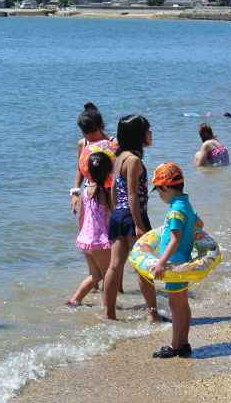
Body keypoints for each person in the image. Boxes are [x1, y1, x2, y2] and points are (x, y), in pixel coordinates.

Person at [103, 115, 160, 322]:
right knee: (143, 267)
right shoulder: (134, 161)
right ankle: (153, 315)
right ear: (138, 136)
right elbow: (132, 194)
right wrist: (138, 224)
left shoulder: (119, 158)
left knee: (114, 266)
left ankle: (109, 314)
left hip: (119, 215)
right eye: (148, 130)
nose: (151, 134)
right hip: (134, 217)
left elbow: (113, 190)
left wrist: (113, 213)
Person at [150, 163, 199, 359]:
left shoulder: (175, 211)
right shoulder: (185, 203)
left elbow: (175, 239)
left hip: (175, 266)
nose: (159, 196)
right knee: (182, 305)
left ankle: (175, 345)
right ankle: (184, 342)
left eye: (159, 191)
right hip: (183, 263)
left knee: (175, 307)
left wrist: (161, 262)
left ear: (167, 188)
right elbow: (197, 222)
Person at [67, 152, 113, 306]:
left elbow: (83, 215)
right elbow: (113, 213)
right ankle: (108, 307)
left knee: (95, 275)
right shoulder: (105, 193)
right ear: (108, 172)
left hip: (86, 239)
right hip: (99, 241)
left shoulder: (85, 192)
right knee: (107, 275)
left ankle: (75, 300)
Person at [71, 103, 109, 217]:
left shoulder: (112, 144)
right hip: (90, 192)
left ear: (101, 126)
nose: (89, 136)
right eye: (85, 133)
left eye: (93, 132)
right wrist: (75, 192)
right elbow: (80, 167)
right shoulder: (83, 143)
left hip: (109, 192)